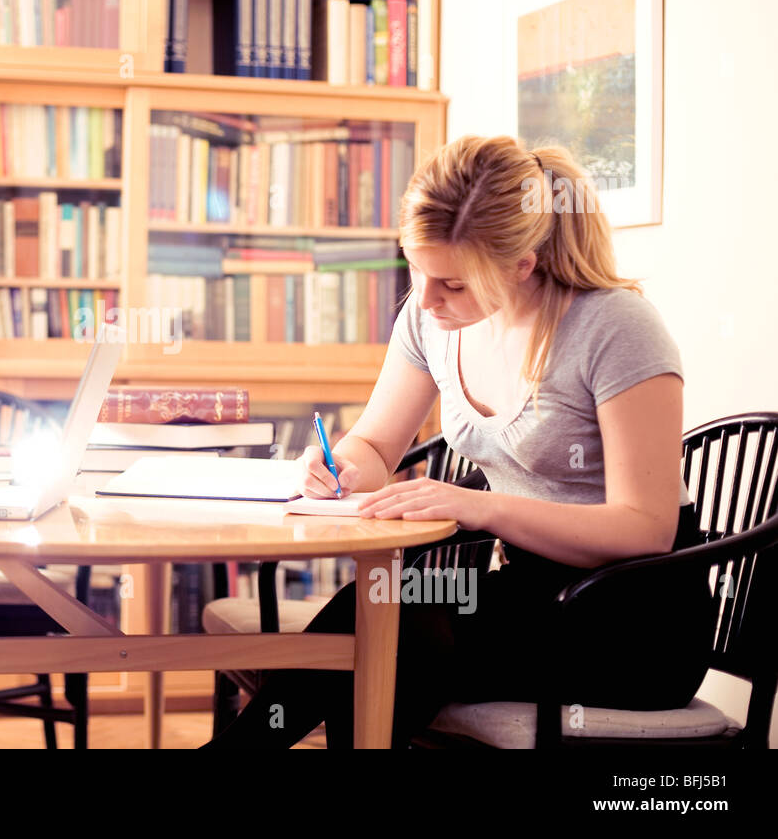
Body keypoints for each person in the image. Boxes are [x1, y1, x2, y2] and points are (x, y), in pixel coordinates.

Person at [202, 135, 714, 749]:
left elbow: (645, 529)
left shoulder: (615, 328)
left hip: (632, 621)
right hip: (528, 595)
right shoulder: (432, 319)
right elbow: (375, 444)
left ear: (520, 265)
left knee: (403, 629)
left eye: (451, 282)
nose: (424, 297)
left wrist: (479, 505)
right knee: (376, 600)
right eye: (415, 268)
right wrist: (340, 465)